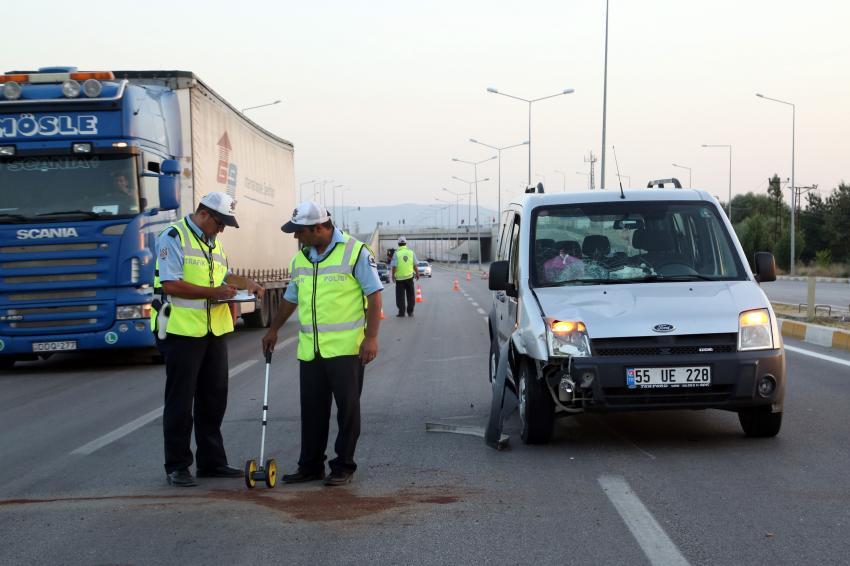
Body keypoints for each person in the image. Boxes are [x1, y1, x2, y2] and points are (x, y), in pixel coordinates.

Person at [261, 201, 383, 486]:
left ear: (319, 228)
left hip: (346, 350)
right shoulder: (302, 258)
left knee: (347, 410)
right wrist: (273, 329)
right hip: (311, 350)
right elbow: (291, 298)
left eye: (299, 232)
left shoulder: (355, 253)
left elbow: (374, 296)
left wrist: (372, 337)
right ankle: (310, 466)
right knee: (312, 410)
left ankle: (343, 466)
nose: (296, 237)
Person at [152, 191, 265, 487]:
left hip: (213, 330)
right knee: (180, 401)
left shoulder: (213, 241)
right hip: (182, 331)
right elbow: (171, 284)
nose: (223, 228)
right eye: (221, 222)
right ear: (204, 214)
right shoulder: (174, 237)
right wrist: (214, 293)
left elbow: (223, 275)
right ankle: (177, 465)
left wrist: (247, 283)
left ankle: (211, 462)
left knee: (214, 398)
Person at [390, 236, 419, 317]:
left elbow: (394, 267)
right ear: (405, 243)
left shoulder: (396, 253)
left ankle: (401, 312)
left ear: (398, 244)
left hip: (399, 279)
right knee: (411, 295)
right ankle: (410, 312)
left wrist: (393, 276)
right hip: (409, 278)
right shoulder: (411, 252)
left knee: (400, 297)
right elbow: (415, 265)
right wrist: (417, 273)